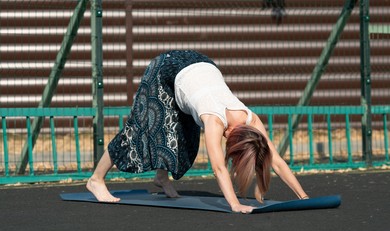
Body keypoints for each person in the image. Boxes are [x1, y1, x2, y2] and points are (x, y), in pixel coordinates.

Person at [86, 50, 309, 214]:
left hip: (200, 63)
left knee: (183, 136)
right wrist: (235, 204)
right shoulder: (214, 119)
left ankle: (161, 177)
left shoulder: (251, 119)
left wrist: (303, 197)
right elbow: (218, 168)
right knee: (138, 129)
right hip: (165, 68)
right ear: (232, 134)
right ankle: (96, 179)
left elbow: (276, 160)